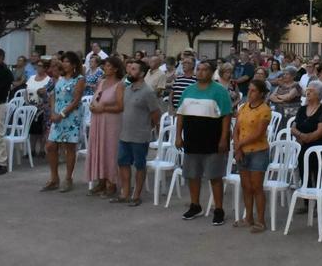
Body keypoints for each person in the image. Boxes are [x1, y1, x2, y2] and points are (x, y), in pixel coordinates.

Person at [175, 61, 232, 224]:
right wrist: (178, 136)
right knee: (193, 175)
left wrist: (223, 139)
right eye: (198, 69)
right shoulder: (188, 91)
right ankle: (195, 205)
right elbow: (180, 115)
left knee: (215, 176)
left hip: (213, 140)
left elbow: (226, 116)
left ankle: (219, 209)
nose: (200, 72)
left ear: (212, 72)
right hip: (192, 140)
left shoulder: (220, 91)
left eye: (204, 70)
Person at [111, 60, 161, 206]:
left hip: (140, 136)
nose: (130, 71)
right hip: (124, 134)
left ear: (141, 73)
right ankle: (125, 193)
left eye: (133, 69)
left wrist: (148, 126)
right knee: (123, 162)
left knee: (139, 165)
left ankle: (136, 195)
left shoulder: (148, 92)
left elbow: (156, 113)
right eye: (130, 68)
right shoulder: (127, 89)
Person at [42, 52, 86, 192]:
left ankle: (68, 178)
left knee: (69, 147)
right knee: (50, 145)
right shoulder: (60, 77)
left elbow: (76, 100)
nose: (64, 64)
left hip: (71, 116)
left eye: (67, 61)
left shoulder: (79, 79)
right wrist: (53, 111)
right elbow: (53, 95)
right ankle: (54, 178)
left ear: (74, 64)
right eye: (64, 61)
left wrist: (62, 114)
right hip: (57, 115)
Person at [232, 80, 272, 232]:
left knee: (256, 187)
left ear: (261, 93)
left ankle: (261, 221)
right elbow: (236, 129)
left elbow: (259, 133)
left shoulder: (264, 109)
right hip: (242, 150)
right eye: (249, 90)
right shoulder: (243, 107)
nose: (249, 93)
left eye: (253, 90)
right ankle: (248, 217)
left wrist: (239, 145)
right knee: (246, 186)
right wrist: (238, 146)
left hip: (258, 151)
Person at [86, 57, 125, 198]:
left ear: (115, 69)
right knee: (99, 148)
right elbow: (96, 98)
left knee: (110, 150)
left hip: (111, 122)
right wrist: (92, 106)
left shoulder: (120, 85)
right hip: (97, 120)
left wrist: (104, 108)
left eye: (108, 66)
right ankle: (101, 180)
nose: (105, 68)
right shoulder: (101, 82)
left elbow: (120, 106)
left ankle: (111, 182)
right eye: (105, 65)